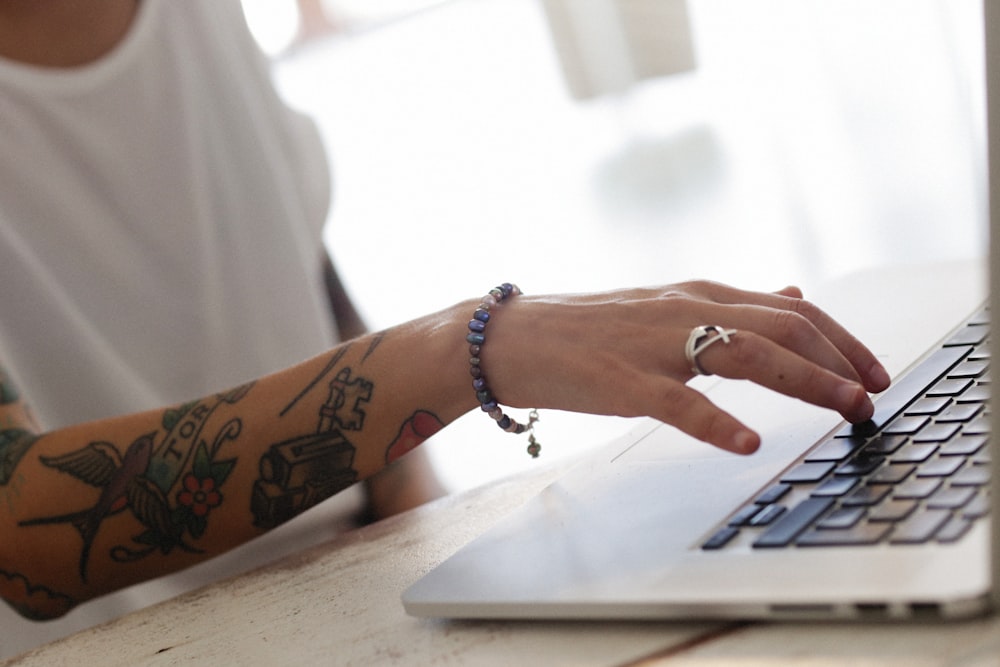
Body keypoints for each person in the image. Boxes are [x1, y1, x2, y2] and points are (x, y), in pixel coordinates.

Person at [0, 0, 890, 657]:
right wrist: (465, 349)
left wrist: (439, 573)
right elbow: (21, 532)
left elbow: (296, 270)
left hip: (361, 588)